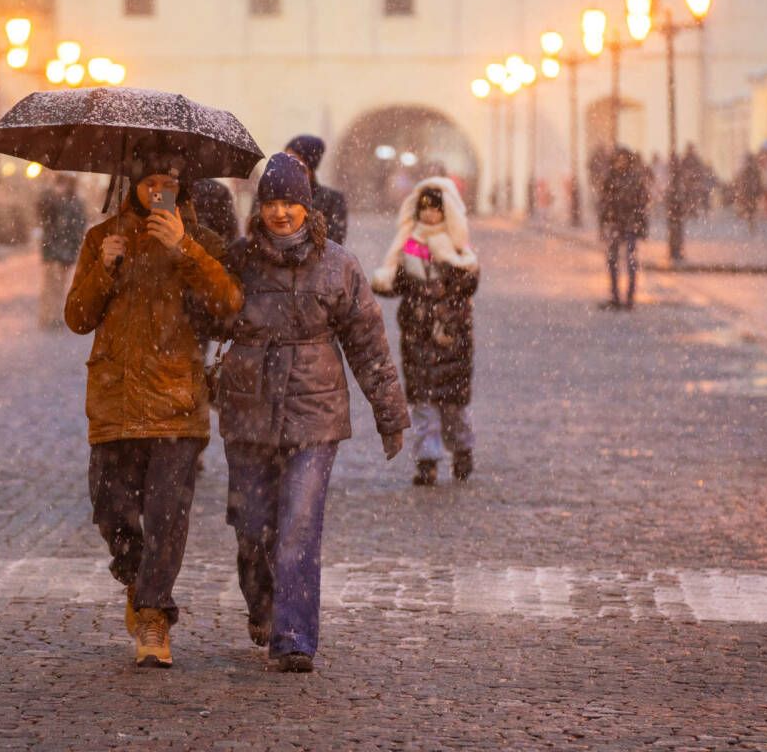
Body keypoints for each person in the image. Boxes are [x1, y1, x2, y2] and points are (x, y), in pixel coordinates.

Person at [217, 153, 409, 673]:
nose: (281, 213)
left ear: (308, 207)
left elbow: (368, 345)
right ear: (260, 208)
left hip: (315, 412)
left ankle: (294, 633)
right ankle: (262, 601)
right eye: (272, 203)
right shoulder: (238, 260)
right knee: (253, 526)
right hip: (248, 408)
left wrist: (389, 415)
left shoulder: (338, 266)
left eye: (291, 203)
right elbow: (204, 318)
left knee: (299, 523)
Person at [64, 151, 242, 668]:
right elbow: (77, 317)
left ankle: (153, 614)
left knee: (167, 514)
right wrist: (104, 267)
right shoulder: (102, 239)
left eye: (169, 182)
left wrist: (184, 247)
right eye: (151, 182)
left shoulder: (198, 240)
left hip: (175, 400)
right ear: (135, 184)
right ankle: (139, 579)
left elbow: (230, 304)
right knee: (111, 508)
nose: (159, 190)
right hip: (116, 397)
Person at [372, 178, 479, 487]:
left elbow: (469, 282)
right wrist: (385, 283)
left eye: (435, 210)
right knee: (422, 403)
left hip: (451, 338)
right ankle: (427, 460)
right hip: (417, 338)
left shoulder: (459, 245)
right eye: (425, 210)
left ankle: (462, 449)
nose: (430, 215)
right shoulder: (409, 245)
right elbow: (399, 284)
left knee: (453, 405)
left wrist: (438, 287)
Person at [599, 146, 650, 310]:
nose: (621, 162)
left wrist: (642, 225)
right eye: (619, 159)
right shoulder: (611, 178)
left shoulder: (633, 179)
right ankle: (616, 296)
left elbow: (642, 203)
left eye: (624, 159)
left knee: (630, 261)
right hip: (617, 223)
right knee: (614, 261)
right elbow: (604, 203)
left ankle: (629, 298)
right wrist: (603, 224)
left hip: (629, 224)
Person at [37, 173, 88, 329]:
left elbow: (80, 225)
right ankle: (49, 315)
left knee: (59, 283)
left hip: (65, 248)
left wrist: (75, 242)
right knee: (52, 282)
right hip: (53, 247)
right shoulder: (51, 198)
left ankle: (55, 315)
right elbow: (41, 213)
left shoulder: (76, 202)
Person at [284, 134, 349, 245]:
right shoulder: (268, 195)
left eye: (294, 159)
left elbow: (333, 242)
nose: (286, 164)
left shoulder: (332, 200)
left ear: (309, 165)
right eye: (284, 158)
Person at [190, 178, 239, 243]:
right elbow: (230, 229)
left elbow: (230, 229)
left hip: (181, 246)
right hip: (209, 246)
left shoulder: (176, 189)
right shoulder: (219, 190)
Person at [735, 153, 763, 235]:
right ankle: (750, 223)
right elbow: (758, 182)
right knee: (751, 209)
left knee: (750, 209)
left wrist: (741, 193)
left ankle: (750, 222)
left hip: (749, 193)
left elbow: (742, 183)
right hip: (751, 193)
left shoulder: (747, 171)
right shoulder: (754, 170)